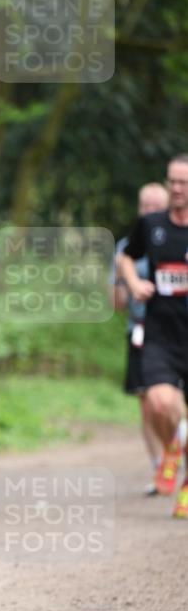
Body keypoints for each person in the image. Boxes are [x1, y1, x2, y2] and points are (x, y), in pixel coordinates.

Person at [118, 154, 188, 518]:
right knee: (159, 403)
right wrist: (133, 283)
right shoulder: (151, 224)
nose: (176, 188)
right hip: (161, 331)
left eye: (183, 183)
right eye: (172, 181)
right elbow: (126, 257)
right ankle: (174, 449)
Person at [110, 183, 175, 495]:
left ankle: (175, 452)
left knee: (170, 405)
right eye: (144, 205)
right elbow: (117, 303)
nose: (149, 211)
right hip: (141, 330)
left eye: (155, 205)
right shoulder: (127, 245)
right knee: (149, 404)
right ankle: (160, 465)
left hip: (178, 329)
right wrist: (129, 280)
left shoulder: (176, 234)